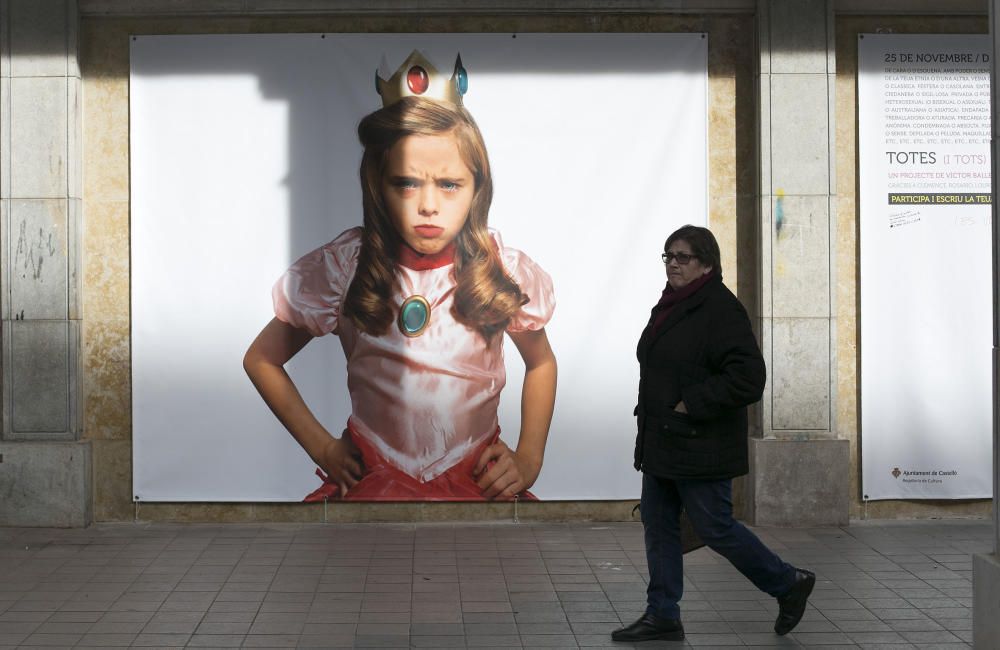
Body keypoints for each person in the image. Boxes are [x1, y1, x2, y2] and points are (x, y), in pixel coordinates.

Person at [243, 52, 557, 502]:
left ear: (476, 187)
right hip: (376, 481)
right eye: (407, 183)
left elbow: (541, 362)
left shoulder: (497, 268)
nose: (429, 204)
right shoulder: (347, 268)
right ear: (377, 183)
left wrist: (528, 458)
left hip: (475, 481)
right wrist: (323, 447)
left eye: (449, 185)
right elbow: (262, 359)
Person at [611, 225, 814, 642]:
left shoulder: (721, 309)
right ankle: (663, 613)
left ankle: (787, 582)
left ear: (707, 263)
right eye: (668, 256)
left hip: (698, 442)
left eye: (683, 257)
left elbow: (748, 377)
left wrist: (691, 402)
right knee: (659, 522)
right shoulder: (671, 304)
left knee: (715, 526)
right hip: (665, 440)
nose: (673, 264)